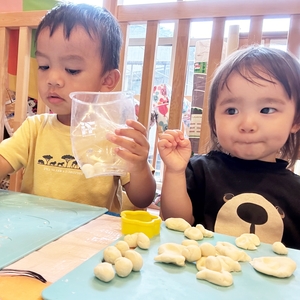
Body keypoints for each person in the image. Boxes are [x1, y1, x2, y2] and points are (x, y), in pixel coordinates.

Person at [0, 3, 156, 213]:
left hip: (93, 238)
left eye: (72, 70)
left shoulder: (114, 136)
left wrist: (139, 167)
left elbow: (142, 198)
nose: (52, 79)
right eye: (44, 66)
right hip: (40, 231)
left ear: (107, 79)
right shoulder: (34, 129)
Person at [158, 46, 300, 249]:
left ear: (295, 120)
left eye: (266, 110)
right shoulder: (200, 171)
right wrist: (174, 172)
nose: (248, 124)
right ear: (214, 121)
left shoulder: (296, 191)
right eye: (231, 110)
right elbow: (175, 221)